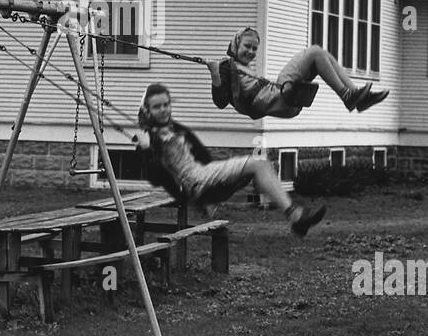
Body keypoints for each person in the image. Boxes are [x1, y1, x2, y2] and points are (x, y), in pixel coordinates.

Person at [134, 83, 327, 236]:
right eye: (157, 107)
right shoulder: (150, 136)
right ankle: (295, 216)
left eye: (166, 104)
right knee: (257, 164)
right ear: (147, 111)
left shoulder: (169, 128)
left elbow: (192, 155)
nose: (164, 110)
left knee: (258, 166)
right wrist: (145, 149)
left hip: (203, 174)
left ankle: (295, 217)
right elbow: (155, 175)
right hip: (197, 181)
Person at [208, 27, 389, 120]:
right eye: (247, 46)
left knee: (321, 55)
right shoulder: (226, 66)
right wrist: (215, 75)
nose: (251, 52)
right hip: (279, 96)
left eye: (255, 48)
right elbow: (220, 102)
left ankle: (356, 98)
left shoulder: (242, 69)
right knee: (315, 52)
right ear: (236, 44)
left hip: (284, 101)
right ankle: (348, 96)